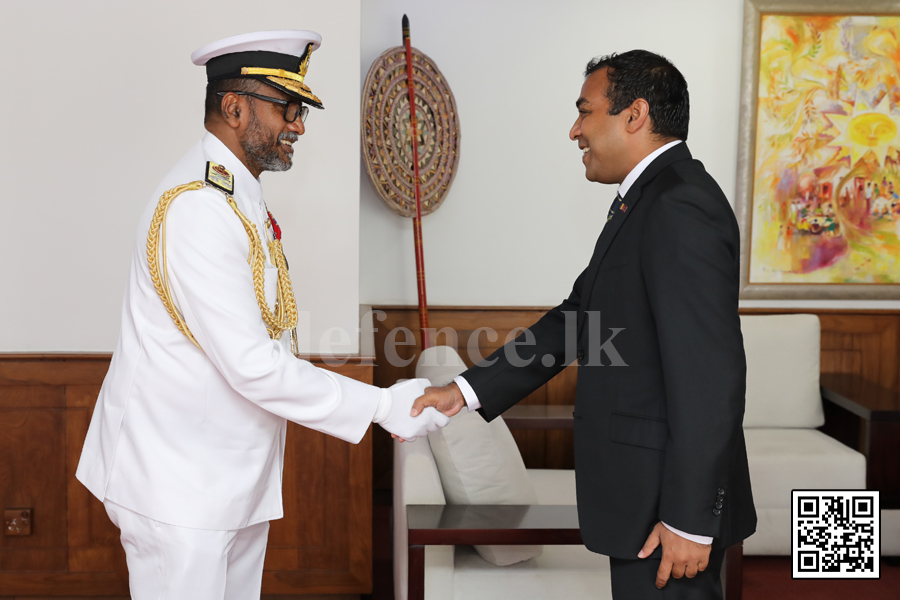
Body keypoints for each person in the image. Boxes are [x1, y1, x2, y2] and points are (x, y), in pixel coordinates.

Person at [75, 30, 447, 600]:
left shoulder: (235, 196)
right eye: (288, 108)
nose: (298, 124)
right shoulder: (199, 207)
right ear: (233, 106)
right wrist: (384, 405)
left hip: (225, 477)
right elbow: (252, 364)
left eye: (301, 110)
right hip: (177, 485)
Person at [409, 50, 756, 599]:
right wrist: (466, 392)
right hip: (640, 498)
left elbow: (710, 376)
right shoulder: (643, 201)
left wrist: (690, 518)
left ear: (634, 114)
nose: (575, 130)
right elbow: (576, 320)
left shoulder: (679, 204)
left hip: (667, 509)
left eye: (585, 111)